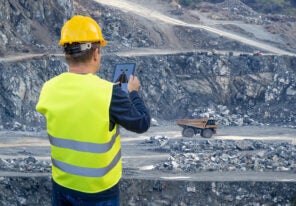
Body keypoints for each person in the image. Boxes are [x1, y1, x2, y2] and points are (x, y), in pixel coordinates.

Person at [36, 15, 151, 206]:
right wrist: (132, 94)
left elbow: (76, 109)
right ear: (96, 53)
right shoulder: (111, 93)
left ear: (66, 54)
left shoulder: (49, 88)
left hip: (62, 185)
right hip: (100, 192)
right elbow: (142, 123)